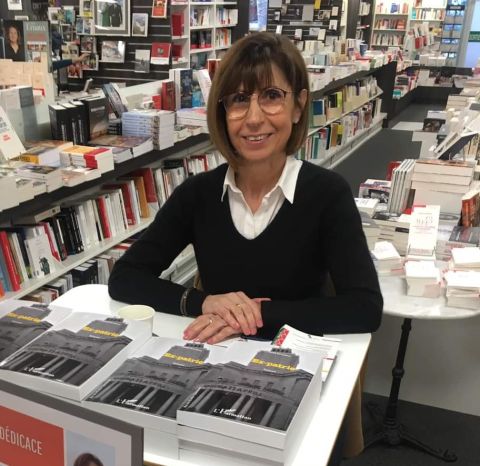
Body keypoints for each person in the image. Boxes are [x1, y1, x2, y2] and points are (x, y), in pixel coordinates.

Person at [108, 32, 383, 345]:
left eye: (272, 96)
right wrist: (203, 303)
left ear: (298, 106)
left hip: (296, 357)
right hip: (214, 354)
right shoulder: (197, 194)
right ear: (223, 113)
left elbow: (364, 308)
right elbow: (125, 277)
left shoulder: (328, 194)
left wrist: (256, 315)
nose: (253, 118)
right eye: (239, 99)